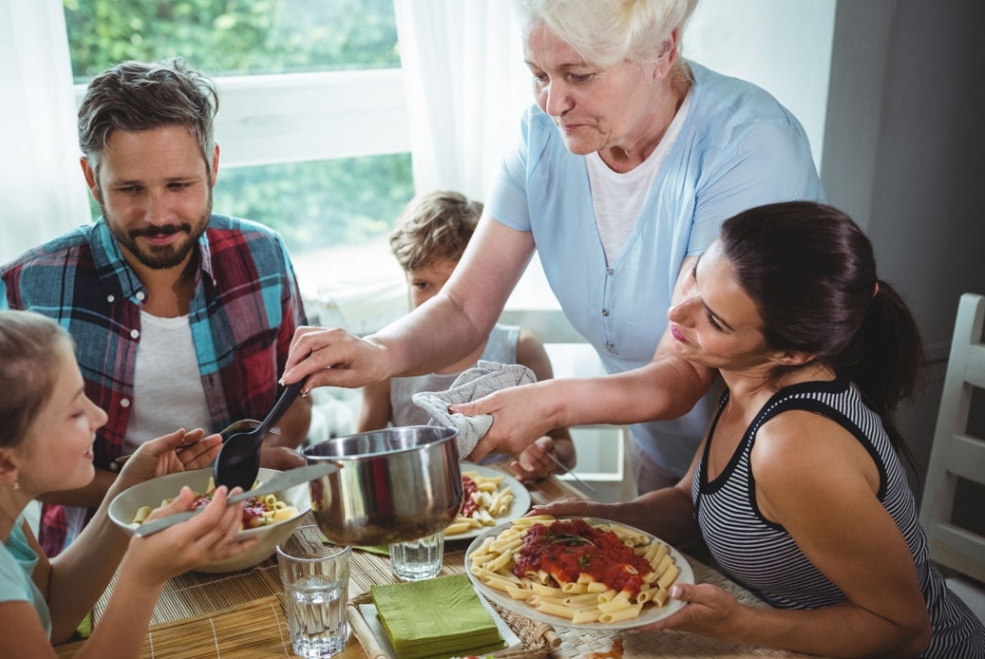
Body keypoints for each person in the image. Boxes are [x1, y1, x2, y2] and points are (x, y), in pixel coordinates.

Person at [281, 0, 824, 494]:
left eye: (579, 75)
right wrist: (378, 353)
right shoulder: (541, 138)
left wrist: (547, 403)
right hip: (665, 448)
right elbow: (465, 306)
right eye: (538, 74)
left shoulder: (748, 146)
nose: (553, 102)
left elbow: (683, 370)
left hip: (783, 452)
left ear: (663, 50)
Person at [534, 202, 985, 657]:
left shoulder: (793, 446)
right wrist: (593, 518)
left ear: (791, 353)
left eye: (714, 319)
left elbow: (903, 630)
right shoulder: (746, 375)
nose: (678, 312)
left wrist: (738, 623)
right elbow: (691, 502)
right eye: (696, 277)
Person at [0, 57, 310, 557]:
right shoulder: (25, 289)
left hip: (253, 537)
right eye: (130, 189)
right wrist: (162, 491)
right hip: (97, 560)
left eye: (179, 185)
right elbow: (11, 466)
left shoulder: (263, 254)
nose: (158, 215)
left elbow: (296, 400)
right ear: (92, 181)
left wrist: (261, 455)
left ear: (214, 166)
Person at [0, 311, 261, 658]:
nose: (99, 417)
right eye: (75, 411)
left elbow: (53, 612)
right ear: (4, 463)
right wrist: (143, 575)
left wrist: (128, 489)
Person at [357, 190, 575, 480]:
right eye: (422, 284)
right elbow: (360, 456)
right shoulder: (386, 366)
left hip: (512, 512)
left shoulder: (521, 350)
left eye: (453, 287)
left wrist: (546, 456)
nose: (437, 302)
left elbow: (566, 450)